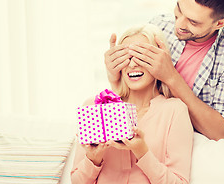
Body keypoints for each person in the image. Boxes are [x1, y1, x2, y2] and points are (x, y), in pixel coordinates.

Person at [105, 0, 224, 141]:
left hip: (188, 145)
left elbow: (222, 133)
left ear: (219, 23)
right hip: (145, 137)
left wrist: (171, 77)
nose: (178, 24)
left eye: (193, 21)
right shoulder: (160, 26)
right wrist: (114, 77)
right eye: (179, 10)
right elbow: (132, 99)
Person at [71, 24, 194, 184]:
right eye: (125, 57)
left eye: (141, 57)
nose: (132, 64)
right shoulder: (96, 107)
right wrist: (93, 159)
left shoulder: (174, 110)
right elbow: (76, 181)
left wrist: (142, 151)